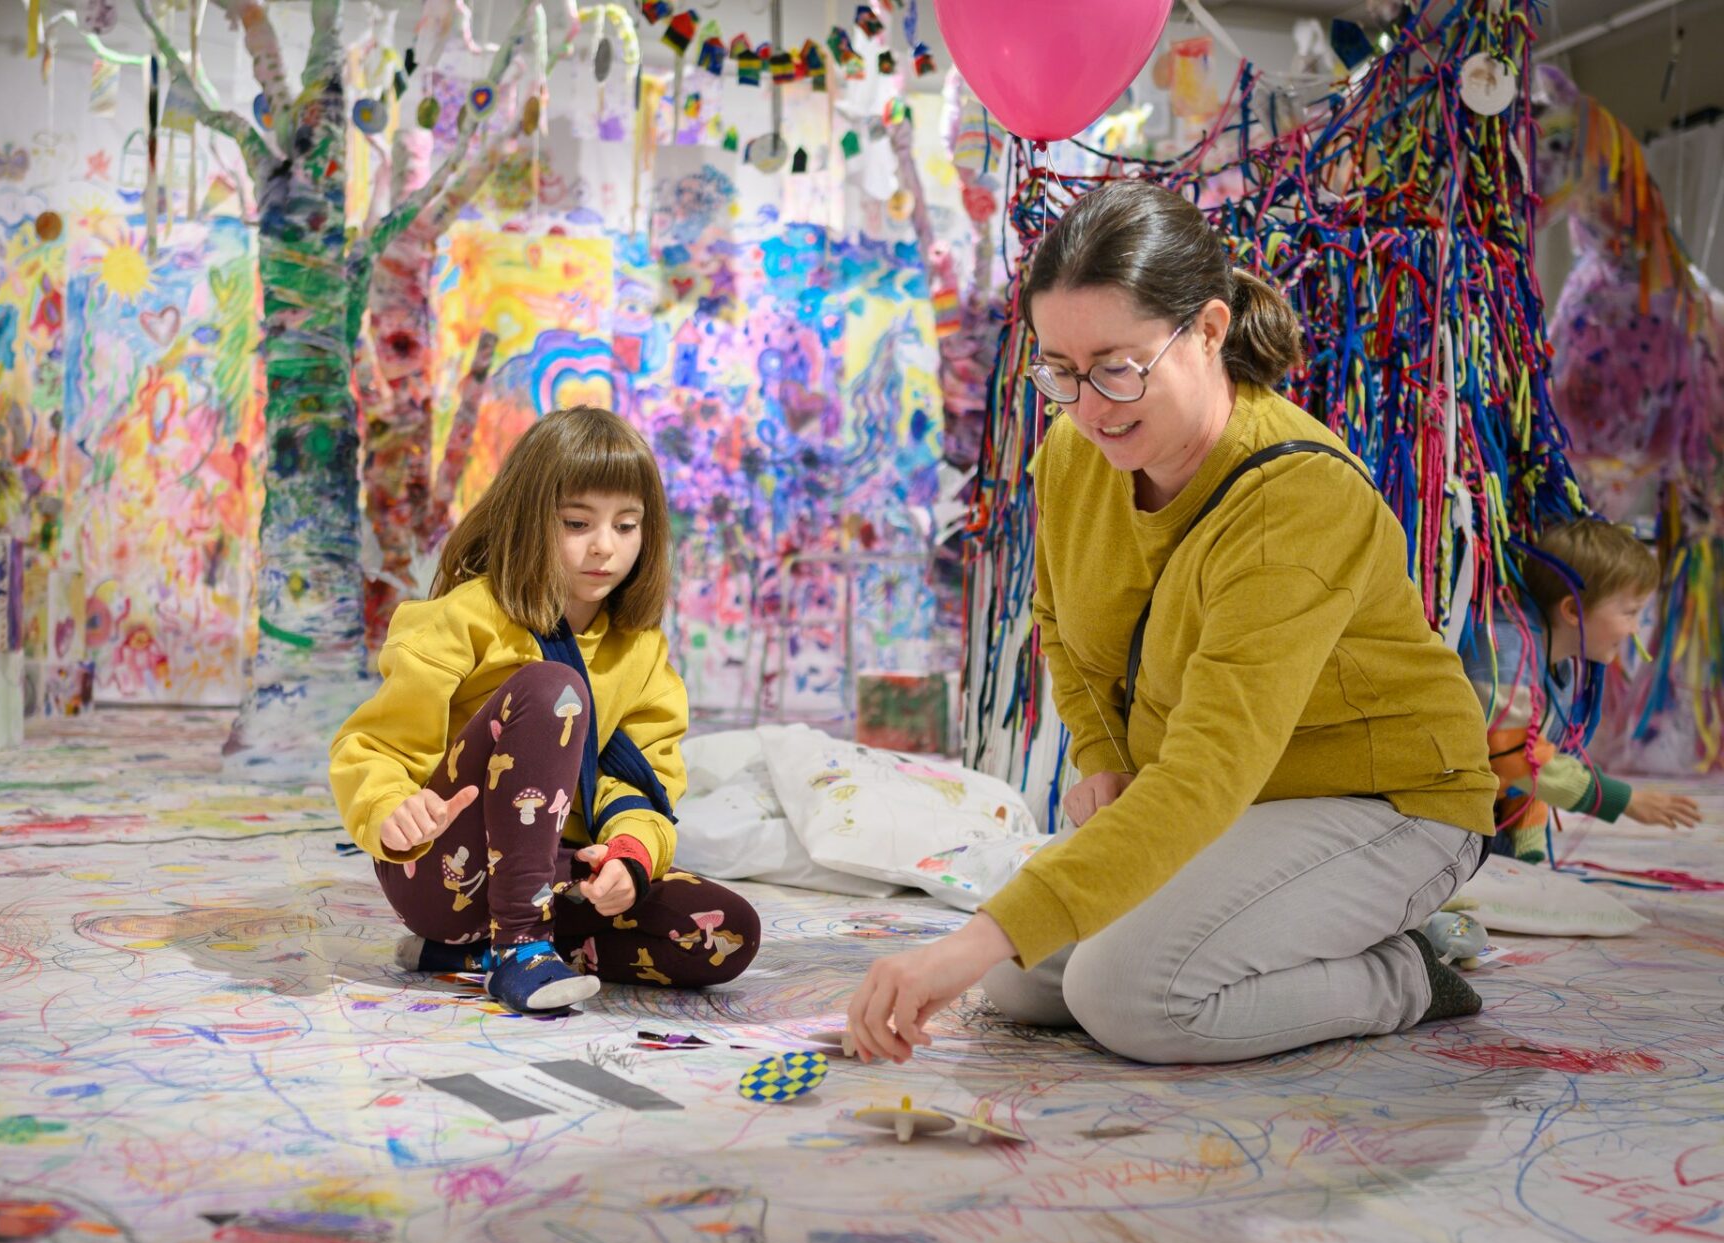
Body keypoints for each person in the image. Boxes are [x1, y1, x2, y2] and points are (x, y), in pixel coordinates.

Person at [846, 180, 1498, 1065]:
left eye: (1119, 366)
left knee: (1131, 998)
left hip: (1387, 803)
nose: (1091, 405)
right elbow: (1059, 624)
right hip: (1242, 800)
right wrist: (1107, 759)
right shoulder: (1077, 451)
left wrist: (963, 943)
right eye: (1061, 371)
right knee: (1022, 979)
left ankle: (1407, 973)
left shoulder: (1296, 498)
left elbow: (1204, 775)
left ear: (1209, 332)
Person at [330, 407, 759, 1013]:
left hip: (553, 871)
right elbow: (373, 747)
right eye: (577, 522)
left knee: (725, 932)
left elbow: (643, 786)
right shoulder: (463, 618)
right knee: (553, 689)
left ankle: (468, 955)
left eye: (627, 525)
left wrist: (628, 857)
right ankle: (518, 950)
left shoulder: (641, 652)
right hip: (442, 871)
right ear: (530, 518)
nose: (605, 547)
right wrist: (390, 807)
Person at [1464, 517, 1703, 860]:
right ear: (1571, 610)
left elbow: (1530, 768)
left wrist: (1528, 850)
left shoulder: (1560, 662)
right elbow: (1514, 757)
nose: (1636, 629)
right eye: (1630, 612)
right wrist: (1624, 800)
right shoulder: (1505, 648)